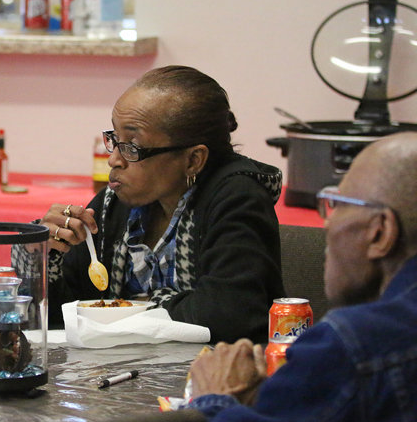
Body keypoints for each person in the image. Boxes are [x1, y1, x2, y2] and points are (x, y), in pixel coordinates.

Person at [188, 132, 417, 422]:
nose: (326, 224)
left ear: (381, 232)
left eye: (336, 204)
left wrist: (215, 399)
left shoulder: (357, 347)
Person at [41, 65, 284, 343]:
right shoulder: (115, 204)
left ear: (193, 160)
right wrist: (46, 256)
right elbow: (65, 316)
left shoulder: (237, 199)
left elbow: (229, 315)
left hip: (211, 377)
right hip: (123, 374)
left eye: (132, 145)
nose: (114, 159)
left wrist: (125, 310)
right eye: (115, 139)